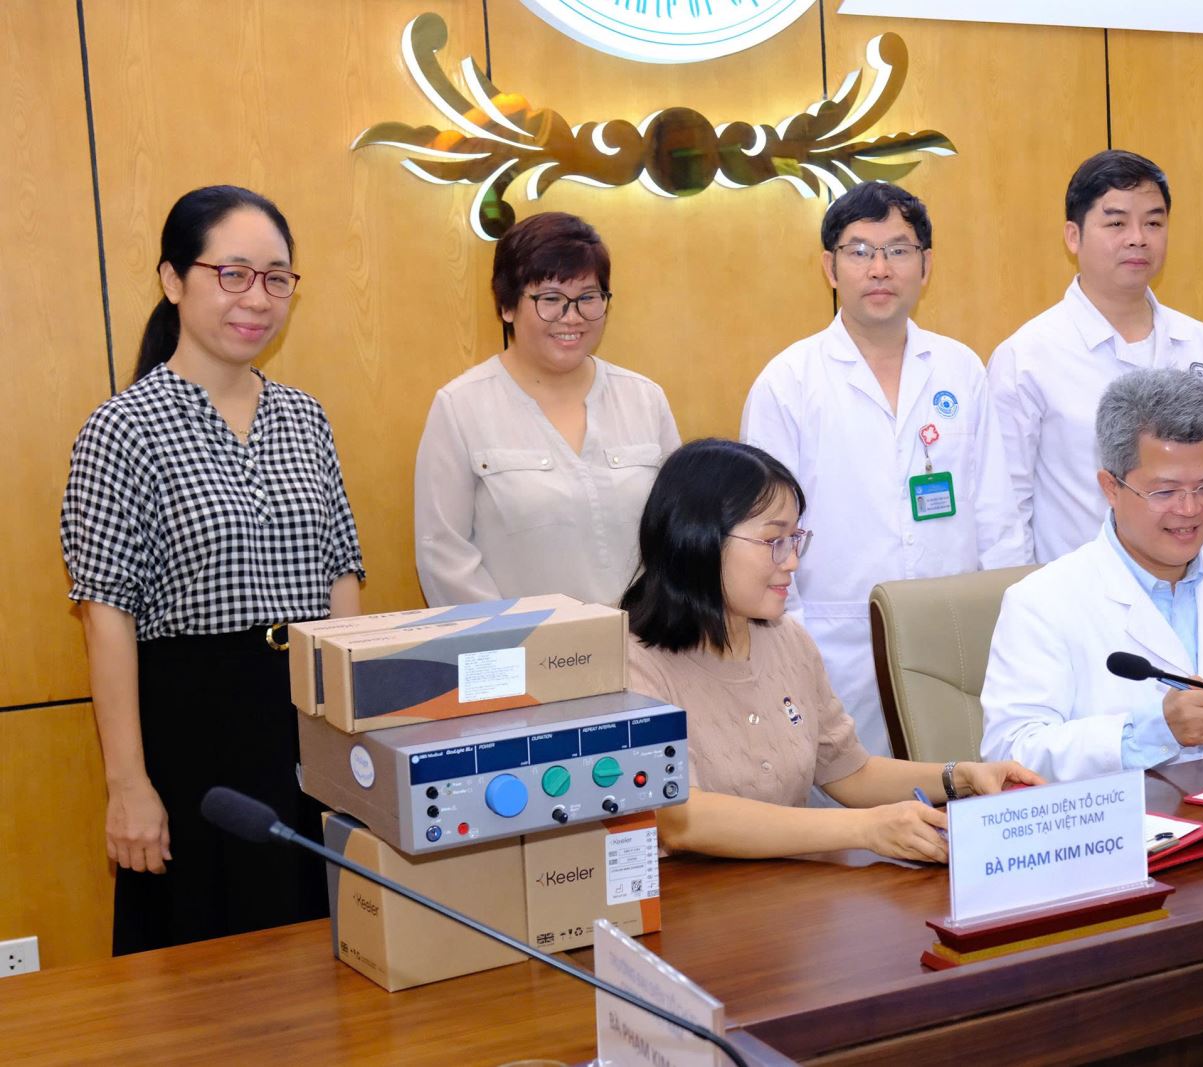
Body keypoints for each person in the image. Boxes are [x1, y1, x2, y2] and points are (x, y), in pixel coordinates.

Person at [60, 185, 365, 954]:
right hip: (195, 733)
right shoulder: (123, 428)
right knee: (207, 972)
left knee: (327, 952)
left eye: (276, 278)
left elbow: (342, 574)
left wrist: (352, 739)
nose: (257, 298)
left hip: (307, 718)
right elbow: (105, 616)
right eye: (233, 274)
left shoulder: (304, 416)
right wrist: (128, 785)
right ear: (173, 279)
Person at [622, 439, 1042, 863]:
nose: (792, 561)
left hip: (789, 889)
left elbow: (850, 772)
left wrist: (961, 776)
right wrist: (866, 828)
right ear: (699, 539)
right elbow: (681, 818)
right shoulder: (630, 663)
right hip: (688, 897)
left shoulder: (787, 641)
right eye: (774, 541)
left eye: (794, 539)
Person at [741, 181, 1027, 759]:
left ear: (925, 265)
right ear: (830, 267)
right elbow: (762, 537)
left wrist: (1014, 624)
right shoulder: (788, 382)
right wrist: (789, 648)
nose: (879, 268)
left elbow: (998, 515)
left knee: (963, 787)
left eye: (898, 250)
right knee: (850, 798)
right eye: (860, 251)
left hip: (957, 640)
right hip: (834, 645)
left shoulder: (960, 369)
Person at [980, 368, 1203, 783]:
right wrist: (1152, 732)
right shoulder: (1042, 600)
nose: (1189, 510)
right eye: (1164, 492)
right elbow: (1012, 751)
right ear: (1110, 488)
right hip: (1126, 819)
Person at [988, 149, 1203, 564]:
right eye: (1116, 223)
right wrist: (1022, 598)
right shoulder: (1026, 357)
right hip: (1082, 594)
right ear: (1073, 236)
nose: (1138, 238)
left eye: (1153, 222)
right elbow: (1007, 511)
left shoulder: (1198, 341)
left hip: (1197, 585)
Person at [414, 212, 679, 608]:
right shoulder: (460, 407)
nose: (572, 317)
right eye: (550, 299)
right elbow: (444, 556)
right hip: (520, 642)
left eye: (588, 297)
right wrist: (517, 638)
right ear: (506, 306)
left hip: (644, 637)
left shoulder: (645, 399)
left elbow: (679, 532)